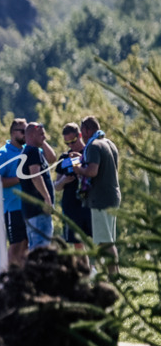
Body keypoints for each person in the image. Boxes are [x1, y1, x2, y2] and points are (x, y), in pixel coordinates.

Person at [72, 115, 121, 275]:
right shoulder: (108, 143)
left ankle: (113, 276)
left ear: (86, 130)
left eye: (82, 132)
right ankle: (113, 274)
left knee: (104, 242)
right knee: (107, 239)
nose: (82, 136)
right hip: (112, 195)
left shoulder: (93, 145)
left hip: (100, 198)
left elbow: (92, 171)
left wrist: (78, 169)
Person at [53, 123, 93, 272]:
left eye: (73, 141)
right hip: (71, 205)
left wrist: (81, 170)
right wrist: (63, 180)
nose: (71, 145)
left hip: (88, 203)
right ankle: (85, 273)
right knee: (77, 244)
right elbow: (56, 186)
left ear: (80, 136)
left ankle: (101, 271)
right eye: (67, 143)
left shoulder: (90, 153)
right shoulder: (63, 158)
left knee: (97, 240)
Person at [0, 118, 29, 267]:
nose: (26, 135)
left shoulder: (29, 149)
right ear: (13, 133)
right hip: (12, 207)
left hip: (27, 206)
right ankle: (7, 278)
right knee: (15, 245)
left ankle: (21, 276)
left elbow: (51, 158)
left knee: (25, 244)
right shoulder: (3, 154)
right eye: (23, 131)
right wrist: (20, 179)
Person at [19, 122, 55, 251]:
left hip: (31, 210)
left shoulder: (26, 152)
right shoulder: (33, 151)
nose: (44, 137)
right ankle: (36, 272)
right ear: (32, 135)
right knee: (41, 249)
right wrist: (47, 198)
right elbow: (35, 176)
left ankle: (32, 271)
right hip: (38, 209)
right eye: (41, 134)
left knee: (35, 247)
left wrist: (41, 141)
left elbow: (53, 158)